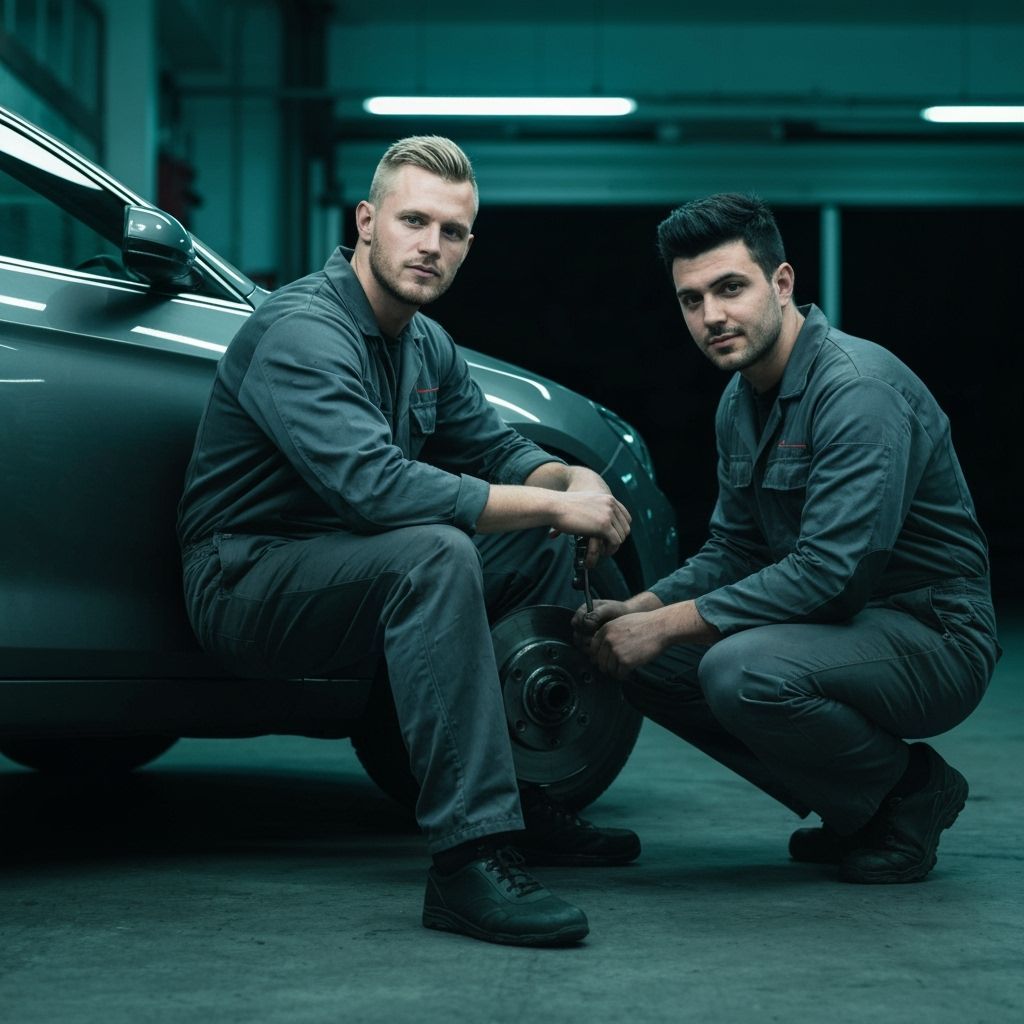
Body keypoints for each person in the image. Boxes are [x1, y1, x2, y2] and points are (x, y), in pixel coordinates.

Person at [177, 136, 640, 947]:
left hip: (351, 565)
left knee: (527, 546)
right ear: (366, 221)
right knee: (436, 551)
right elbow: (376, 489)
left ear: (467, 245)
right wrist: (552, 507)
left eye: (452, 231)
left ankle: (519, 797)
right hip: (246, 581)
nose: (430, 245)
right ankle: (469, 861)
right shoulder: (302, 329)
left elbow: (499, 453)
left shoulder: (425, 344)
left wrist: (572, 482)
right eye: (413, 220)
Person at [573, 193, 1000, 884]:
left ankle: (909, 792)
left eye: (730, 288)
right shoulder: (739, 402)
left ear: (781, 283)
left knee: (740, 670)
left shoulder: (858, 390)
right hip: (846, 629)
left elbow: (835, 576)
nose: (711, 316)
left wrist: (669, 625)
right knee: (643, 660)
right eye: (691, 300)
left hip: (935, 633)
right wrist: (642, 610)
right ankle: (860, 808)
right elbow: (733, 552)